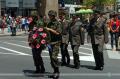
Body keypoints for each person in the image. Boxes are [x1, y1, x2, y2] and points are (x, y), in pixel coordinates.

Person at [46, 10, 62, 78]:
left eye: (50, 15)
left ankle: (57, 71)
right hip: (50, 42)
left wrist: (50, 29)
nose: (49, 16)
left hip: (56, 42)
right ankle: (55, 71)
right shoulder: (49, 23)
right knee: (51, 58)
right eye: (49, 15)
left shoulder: (57, 23)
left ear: (53, 16)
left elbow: (58, 33)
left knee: (54, 57)